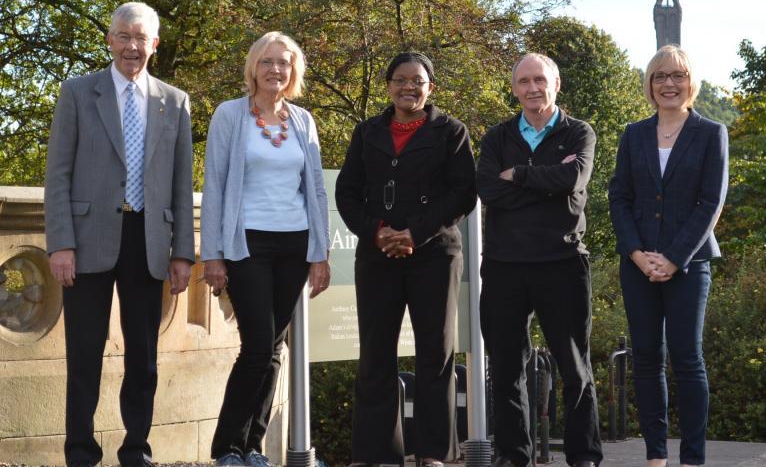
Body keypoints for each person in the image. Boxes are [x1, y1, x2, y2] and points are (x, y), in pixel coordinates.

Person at [44, 2, 195, 467]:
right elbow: (59, 174)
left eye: (141, 38)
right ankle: (81, 453)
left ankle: (136, 450)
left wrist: (182, 252)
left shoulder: (175, 101)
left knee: (144, 358)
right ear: (110, 40)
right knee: (84, 354)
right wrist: (61, 243)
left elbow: (180, 183)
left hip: (148, 239)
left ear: (155, 44)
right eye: (123, 36)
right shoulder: (77, 92)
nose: (132, 47)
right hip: (88, 240)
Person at [335, 51, 476, 467]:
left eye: (417, 80)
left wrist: (414, 232)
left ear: (431, 86)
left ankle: (432, 453)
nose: (408, 87)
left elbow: (462, 193)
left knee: (436, 353)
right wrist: (378, 232)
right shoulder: (367, 132)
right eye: (400, 79)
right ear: (388, 85)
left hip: (434, 254)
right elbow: (347, 192)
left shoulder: (451, 131)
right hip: (377, 255)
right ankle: (377, 453)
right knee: (375, 353)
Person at [201, 31, 331, 467]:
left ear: (293, 72)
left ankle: (252, 446)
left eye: (284, 62)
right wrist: (213, 254)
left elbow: (313, 186)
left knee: (275, 349)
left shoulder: (302, 121)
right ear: (253, 68)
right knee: (257, 346)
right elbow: (215, 185)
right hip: (247, 243)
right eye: (267, 61)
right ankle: (226, 448)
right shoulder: (230, 115)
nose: (275, 69)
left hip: (294, 243)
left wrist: (319, 251)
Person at [476, 53, 603, 467]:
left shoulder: (579, 132)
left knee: (574, 367)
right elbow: (490, 192)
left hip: (562, 262)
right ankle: (514, 457)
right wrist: (547, 181)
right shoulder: (496, 137)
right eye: (524, 81)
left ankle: (583, 457)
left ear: (556, 84)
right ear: (514, 89)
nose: (533, 88)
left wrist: (520, 174)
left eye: (540, 80)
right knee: (507, 368)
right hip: (504, 265)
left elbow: (573, 180)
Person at [608, 45, 728, 467]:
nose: (669, 84)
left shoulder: (711, 133)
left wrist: (673, 259)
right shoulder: (633, 133)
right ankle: (655, 455)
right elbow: (620, 198)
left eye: (677, 76)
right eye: (660, 76)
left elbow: (710, 203)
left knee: (687, 357)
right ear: (650, 84)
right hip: (637, 264)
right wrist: (639, 255)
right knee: (645, 357)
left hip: (689, 264)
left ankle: (692, 458)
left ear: (689, 82)